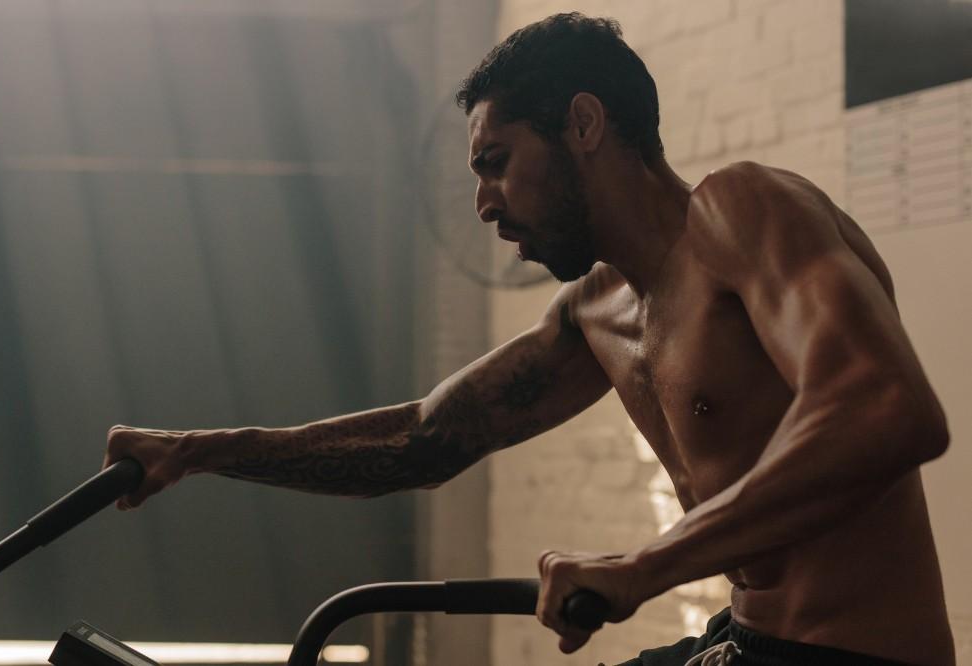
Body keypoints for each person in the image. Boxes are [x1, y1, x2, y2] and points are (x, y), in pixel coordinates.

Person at [102, 13, 954, 666]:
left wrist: (643, 566)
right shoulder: (597, 310)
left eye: (497, 162)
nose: (483, 203)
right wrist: (200, 451)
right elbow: (421, 442)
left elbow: (884, 409)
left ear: (583, 124)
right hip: (744, 642)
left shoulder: (742, 211)